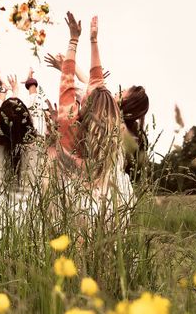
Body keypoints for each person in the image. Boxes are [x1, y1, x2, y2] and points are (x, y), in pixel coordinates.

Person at [52, 12, 134, 228]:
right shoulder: (114, 133)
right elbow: (98, 81)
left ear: (85, 106)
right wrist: (94, 41)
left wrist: (74, 39)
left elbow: (67, 84)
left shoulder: (70, 126)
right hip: (113, 210)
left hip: (78, 211)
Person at [45, 54, 150, 176]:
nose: (115, 93)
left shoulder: (107, 118)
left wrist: (66, 69)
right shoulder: (119, 123)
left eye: (120, 92)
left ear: (127, 103)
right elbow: (91, 90)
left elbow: (89, 93)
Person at [0, 70, 48, 230]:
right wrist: (30, 84)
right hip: (28, 223)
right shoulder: (38, 141)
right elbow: (36, 108)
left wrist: (4, 90)